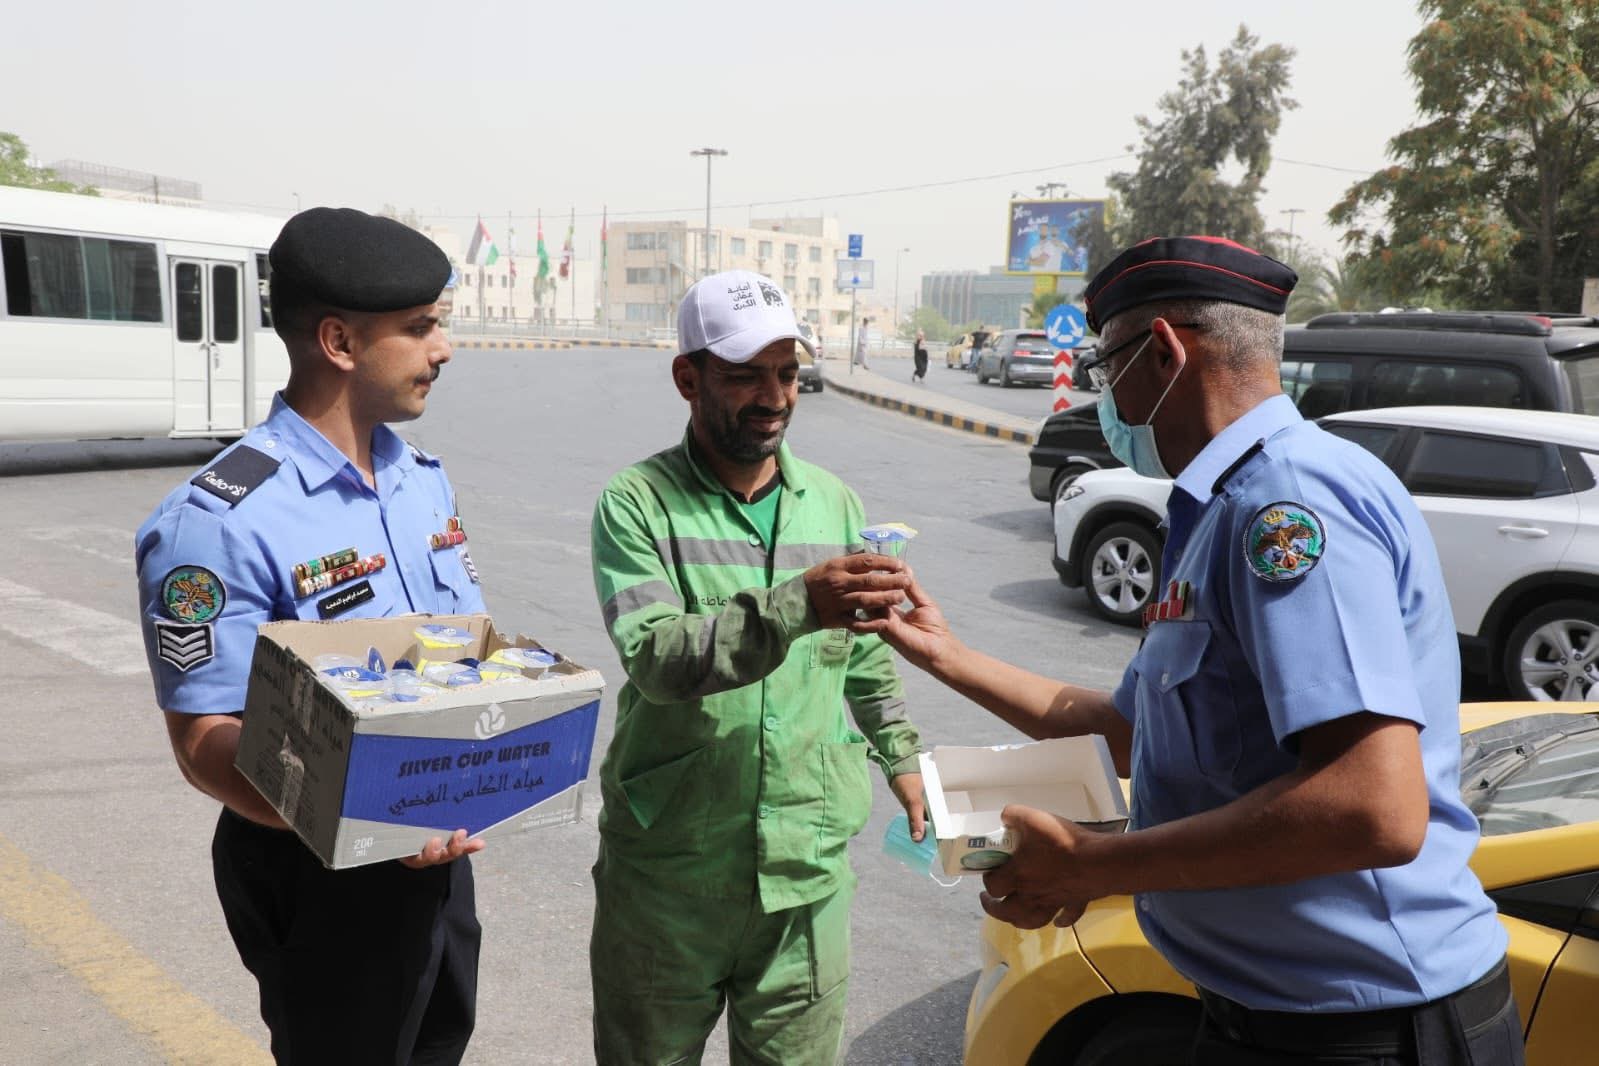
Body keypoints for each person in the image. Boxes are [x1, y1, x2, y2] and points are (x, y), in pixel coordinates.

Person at [854, 237, 1523, 1065]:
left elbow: (1369, 810)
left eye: (1105, 367)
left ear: (1164, 352)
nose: (1103, 396)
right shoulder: (1215, 507)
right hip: (1266, 1015)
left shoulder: (1285, 505)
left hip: (1365, 1030)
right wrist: (945, 655)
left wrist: (1094, 866)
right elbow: (1132, 731)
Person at [135, 207, 487, 1065]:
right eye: (420, 327)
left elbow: (459, 653)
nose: (443, 349)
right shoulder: (216, 520)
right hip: (317, 870)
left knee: (438, 1044)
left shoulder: (416, 478)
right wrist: (362, 813)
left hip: (434, 852)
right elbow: (204, 740)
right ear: (339, 341)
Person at [589, 269, 926, 1065]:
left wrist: (902, 758)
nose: (773, 397)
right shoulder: (637, 503)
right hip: (671, 876)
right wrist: (798, 602)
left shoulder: (834, 504)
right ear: (688, 378)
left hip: (806, 873)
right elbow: (655, 658)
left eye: (787, 373)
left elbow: (864, 652)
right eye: (745, 376)